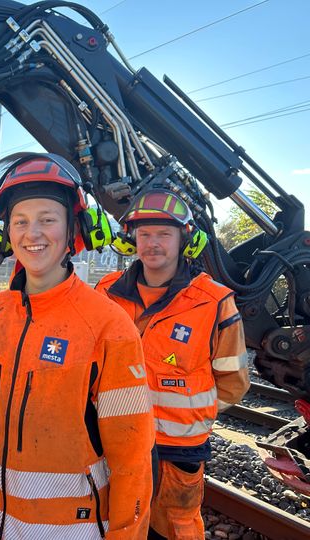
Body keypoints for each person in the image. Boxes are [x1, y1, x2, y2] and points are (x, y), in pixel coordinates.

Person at [0, 153, 155, 539]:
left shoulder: (108, 326)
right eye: (20, 221)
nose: (32, 233)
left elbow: (132, 458)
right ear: (5, 234)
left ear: (74, 228)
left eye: (47, 219)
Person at [95, 187, 250, 540]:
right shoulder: (105, 294)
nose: (152, 243)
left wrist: (191, 416)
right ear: (131, 239)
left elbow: (233, 380)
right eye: (144, 234)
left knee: (174, 530)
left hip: (177, 449)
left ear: (185, 240)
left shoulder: (213, 302)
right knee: (114, 525)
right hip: (114, 441)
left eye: (164, 234)